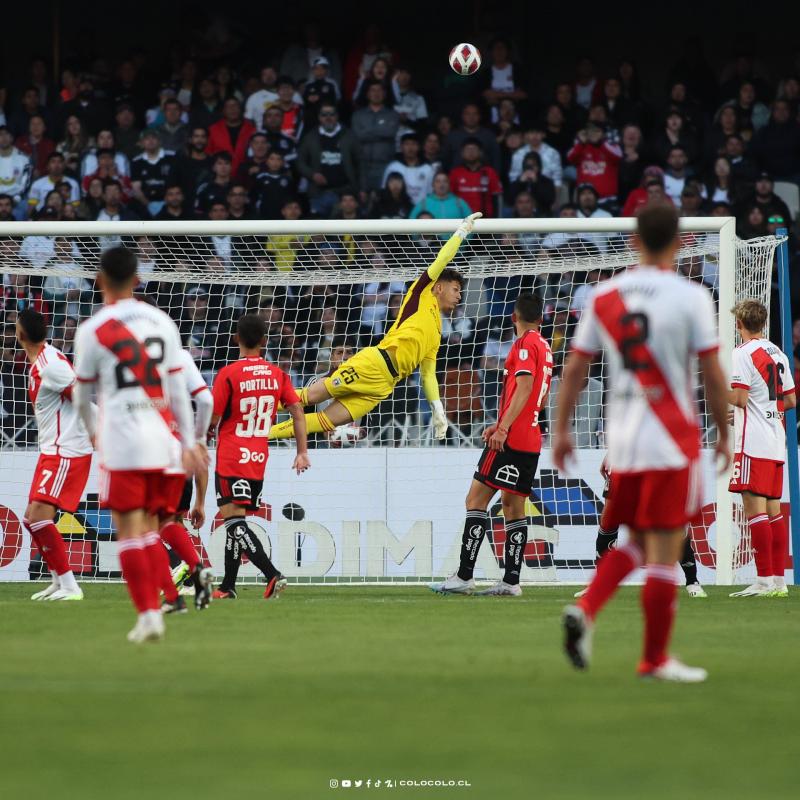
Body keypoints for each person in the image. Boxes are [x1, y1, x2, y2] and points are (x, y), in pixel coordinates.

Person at [553, 203, 730, 682]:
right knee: (666, 545)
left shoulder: (604, 296)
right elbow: (712, 374)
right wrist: (724, 432)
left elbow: (575, 368)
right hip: (672, 438)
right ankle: (654, 657)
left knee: (633, 539)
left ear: (633, 241)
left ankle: (587, 607)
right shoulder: (691, 296)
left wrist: (563, 430)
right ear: (679, 242)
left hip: (624, 441)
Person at [73, 247, 206, 643]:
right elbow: (182, 393)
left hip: (124, 441)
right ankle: (166, 603)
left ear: (99, 279)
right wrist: (190, 440)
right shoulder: (161, 321)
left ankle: (149, 614)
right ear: (136, 278)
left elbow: (82, 397)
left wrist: (94, 432)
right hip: (164, 441)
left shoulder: (93, 329)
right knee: (154, 525)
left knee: (130, 531)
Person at [268, 213, 481, 441]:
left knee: (325, 421)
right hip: (373, 364)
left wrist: (437, 407)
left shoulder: (437, 331)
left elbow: (428, 374)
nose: (459, 296)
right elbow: (441, 259)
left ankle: (260, 435)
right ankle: (255, 403)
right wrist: (461, 233)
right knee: (311, 396)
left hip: (383, 386)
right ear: (439, 287)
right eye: (456, 289)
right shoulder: (419, 296)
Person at [431, 294, 552, 597]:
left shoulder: (525, 345)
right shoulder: (546, 346)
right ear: (541, 318)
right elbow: (538, 394)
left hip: (511, 439)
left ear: (514, 316)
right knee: (513, 508)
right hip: (531, 437)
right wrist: (501, 423)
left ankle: (464, 576)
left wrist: (505, 428)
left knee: (475, 501)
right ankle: (511, 581)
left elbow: (524, 387)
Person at [210, 314, 310, 599]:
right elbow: (298, 412)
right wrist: (302, 451)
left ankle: (272, 574)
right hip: (257, 457)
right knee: (236, 519)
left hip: (231, 456)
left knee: (233, 522)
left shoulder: (228, 374)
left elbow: (214, 418)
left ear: (236, 339)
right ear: (265, 341)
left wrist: (203, 433)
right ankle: (228, 586)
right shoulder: (277, 374)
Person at [16, 309, 92, 602]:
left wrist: (102, 432)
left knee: (38, 517)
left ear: (21, 335)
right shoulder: (42, 361)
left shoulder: (51, 365)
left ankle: (71, 586)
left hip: (66, 451)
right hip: (51, 449)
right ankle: (59, 580)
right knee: (29, 519)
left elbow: (83, 400)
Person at [728, 300, 796, 597]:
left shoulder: (742, 353)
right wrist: (759, 407)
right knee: (773, 510)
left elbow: (741, 399)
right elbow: (791, 401)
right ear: (763, 323)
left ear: (738, 324)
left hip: (753, 441)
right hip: (775, 439)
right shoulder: (778, 352)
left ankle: (763, 580)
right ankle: (779, 582)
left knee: (755, 511)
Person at [574, 458, 708, 600]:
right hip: (624, 455)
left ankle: (692, 581)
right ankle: (600, 584)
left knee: (668, 517)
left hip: (656, 455)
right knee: (609, 518)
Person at [157, 346, 215, 613]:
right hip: (182, 453)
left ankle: (178, 581)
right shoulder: (180, 356)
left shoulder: (128, 353)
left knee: (139, 526)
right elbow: (205, 400)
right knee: (171, 522)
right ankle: (194, 573)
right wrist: (200, 440)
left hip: (151, 452)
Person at [449, 138, 503, 218]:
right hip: (461, 220)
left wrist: (498, 219)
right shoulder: (455, 173)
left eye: (474, 149)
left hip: (486, 221)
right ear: (462, 153)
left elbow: (497, 198)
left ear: (480, 152)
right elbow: (450, 198)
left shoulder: (490, 172)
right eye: (467, 149)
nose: (471, 152)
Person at [381, 133, 434, 206]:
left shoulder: (427, 169)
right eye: (407, 144)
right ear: (401, 147)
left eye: (414, 144)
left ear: (418, 147)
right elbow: (385, 190)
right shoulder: (393, 167)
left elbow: (431, 193)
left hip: (422, 210)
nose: (410, 148)